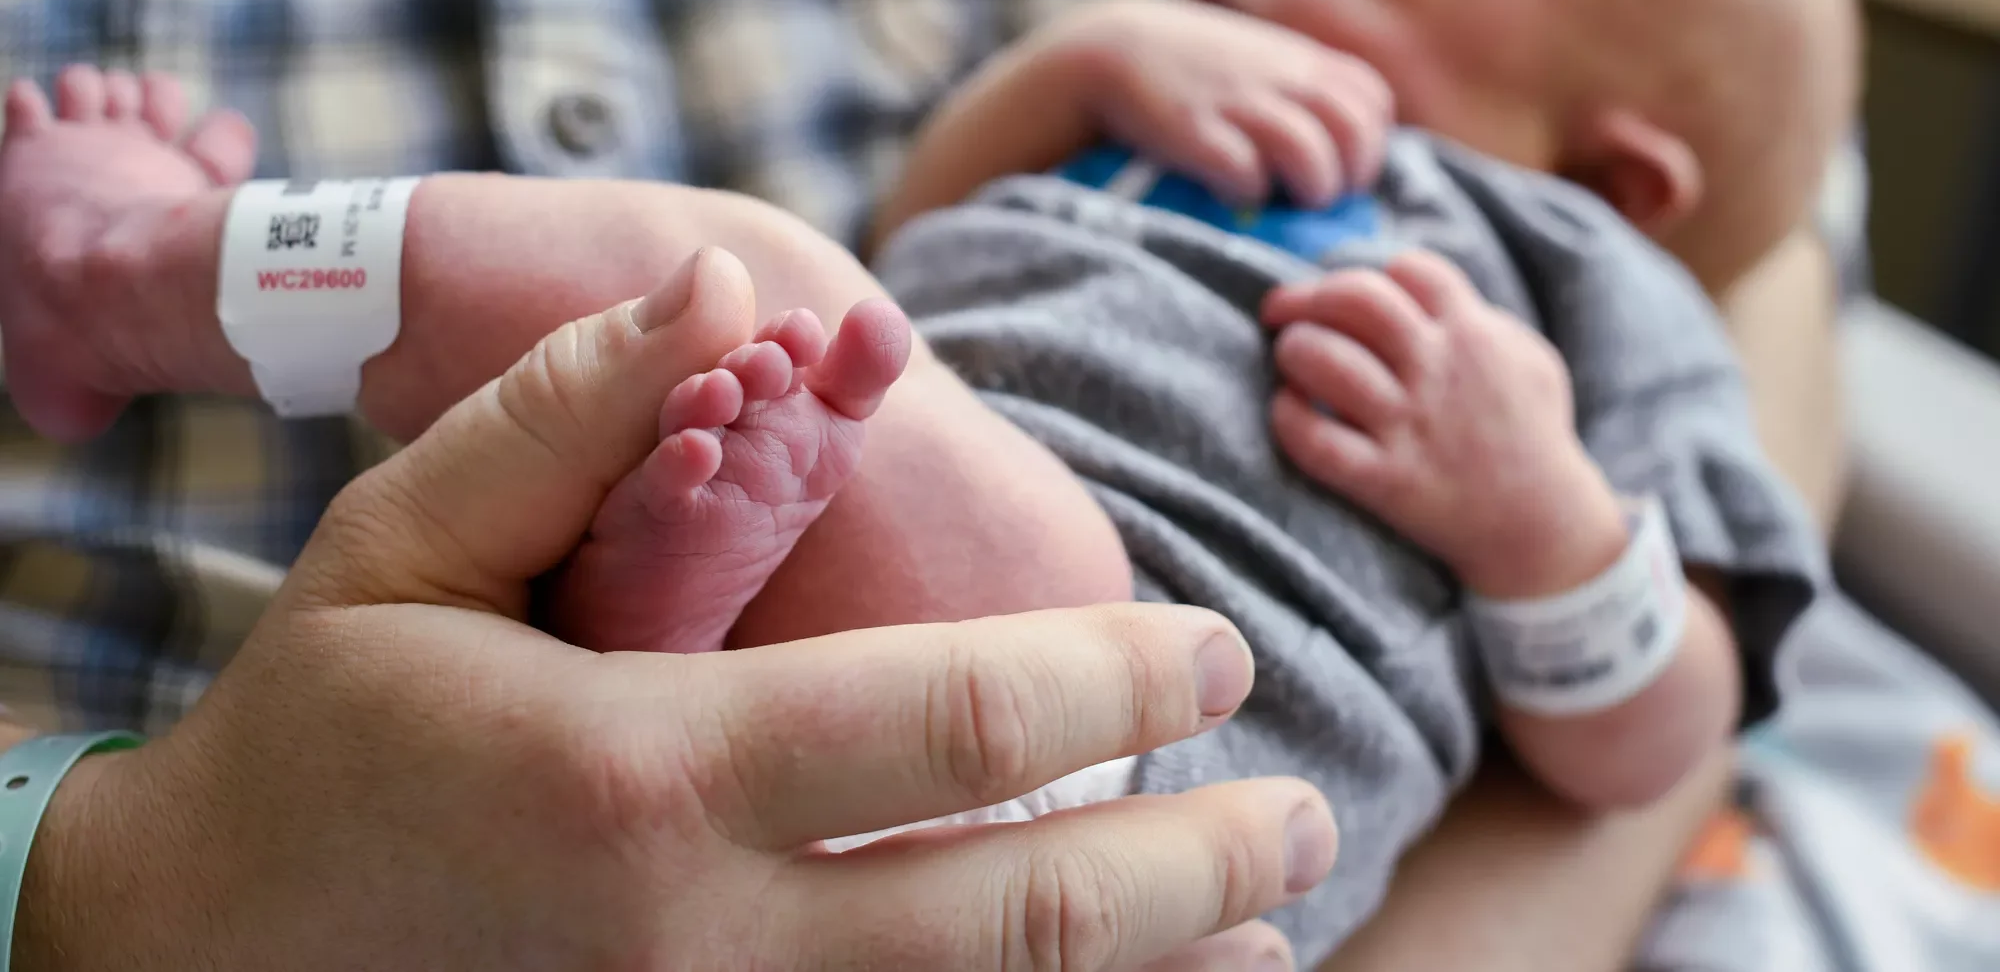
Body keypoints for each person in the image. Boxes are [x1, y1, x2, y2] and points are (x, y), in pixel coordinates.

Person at [0, 0, 1850, 969]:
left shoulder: (1591, 297)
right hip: (833, 649)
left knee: (746, 297)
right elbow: (930, 259)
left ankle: (122, 277)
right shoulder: (1160, 126)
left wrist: (1535, 512)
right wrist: (1082, 66)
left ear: (1620, 180)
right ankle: (680, 611)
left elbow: (1659, 737)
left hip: (1142, 755)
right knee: (802, 365)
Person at [0, 248, 1337, 968]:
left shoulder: (1533, 253)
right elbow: (936, 215)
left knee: (726, 278)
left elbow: (1564, 765)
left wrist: (1530, 500)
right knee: (805, 331)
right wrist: (86, 889)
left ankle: (133, 265)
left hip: (1164, 736)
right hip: (1200, 804)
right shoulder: (1188, 104)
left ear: (1560, 137)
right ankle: (659, 662)